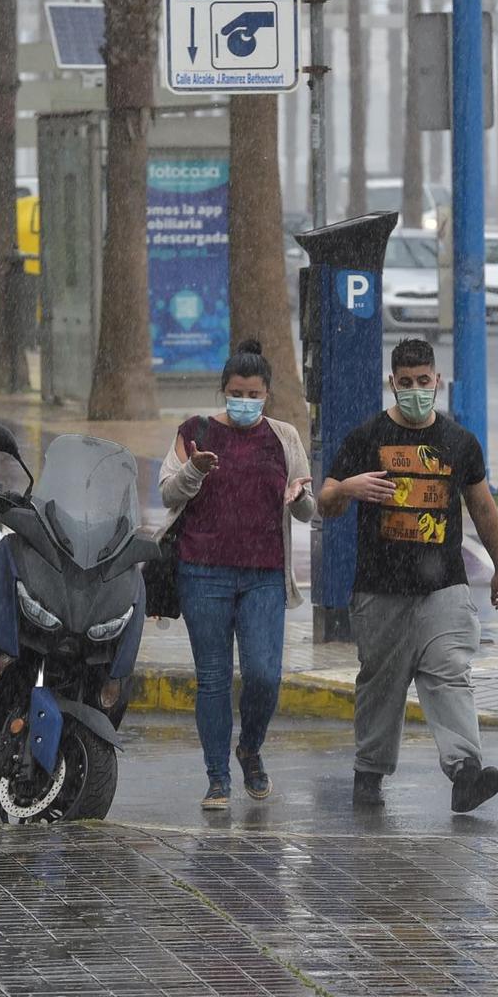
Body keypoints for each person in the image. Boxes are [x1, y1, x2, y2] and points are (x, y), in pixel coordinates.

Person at [319, 338, 498, 814]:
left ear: (436, 381)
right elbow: (325, 501)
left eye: (423, 382)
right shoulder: (367, 438)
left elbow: (483, 507)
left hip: (443, 586)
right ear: (393, 384)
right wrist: (349, 485)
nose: (415, 391)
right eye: (405, 383)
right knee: (380, 683)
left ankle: (466, 772)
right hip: (380, 589)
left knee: (449, 673)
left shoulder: (458, 442)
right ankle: (370, 771)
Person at [159, 340, 316, 811]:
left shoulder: (285, 437)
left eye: (253, 393)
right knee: (212, 680)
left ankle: (249, 747)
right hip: (201, 572)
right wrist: (194, 470)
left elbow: (308, 508)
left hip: (264, 576)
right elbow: (168, 493)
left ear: (267, 394)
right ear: (223, 390)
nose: (244, 401)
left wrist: (298, 495)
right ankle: (216, 778)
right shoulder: (196, 430)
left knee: (265, 676)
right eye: (235, 392)